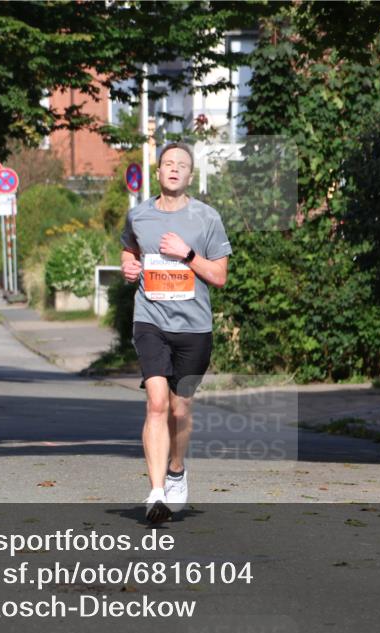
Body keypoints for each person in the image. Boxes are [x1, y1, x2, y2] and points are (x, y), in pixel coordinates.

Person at [120, 142, 232, 523]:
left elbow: (219, 276)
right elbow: (128, 249)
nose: (173, 169)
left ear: (189, 175)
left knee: (180, 409)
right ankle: (155, 493)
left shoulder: (207, 218)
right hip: (150, 320)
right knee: (156, 403)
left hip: (194, 327)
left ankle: (177, 469)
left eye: (181, 165)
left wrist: (187, 255)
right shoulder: (139, 215)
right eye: (168, 163)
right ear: (158, 171)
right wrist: (129, 268)